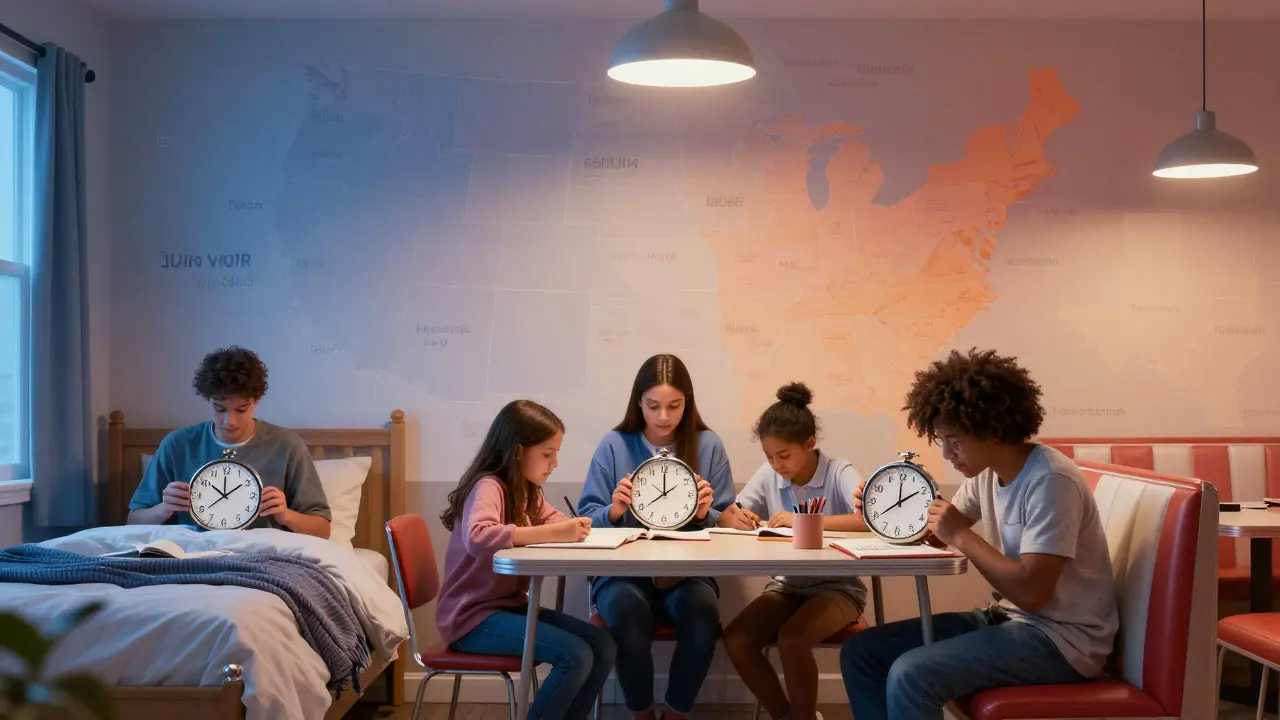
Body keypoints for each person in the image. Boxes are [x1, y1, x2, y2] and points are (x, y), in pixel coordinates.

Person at [840, 348, 1119, 720]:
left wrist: (961, 536)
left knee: (912, 675)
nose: (948, 454)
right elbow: (936, 533)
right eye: (942, 441)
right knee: (862, 652)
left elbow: (1033, 594)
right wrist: (882, 507)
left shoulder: (1051, 480)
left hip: (1062, 641)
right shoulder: (987, 473)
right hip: (1008, 620)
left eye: (955, 441)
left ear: (992, 428)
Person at [577, 353, 735, 720]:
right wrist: (613, 511)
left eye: (674, 406)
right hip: (622, 573)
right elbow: (584, 519)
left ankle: (675, 714)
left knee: (703, 617)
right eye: (653, 406)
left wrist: (706, 514)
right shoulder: (614, 444)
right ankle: (642, 715)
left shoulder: (708, 445)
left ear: (688, 402)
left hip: (689, 573)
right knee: (627, 616)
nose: (663, 416)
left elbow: (728, 521)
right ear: (638, 402)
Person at [436, 399, 614, 720]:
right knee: (575, 655)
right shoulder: (488, 486)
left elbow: (552, 519)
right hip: (471, 620)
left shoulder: (528, 490)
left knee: (602, 644)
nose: (555, 463)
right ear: (518, 451)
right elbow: (478, 536)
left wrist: (569, 526)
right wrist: (555, 532)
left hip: (509, 609)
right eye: (547, 454)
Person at [721, 382, 868, 720]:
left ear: (810, 443)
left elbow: (869, 518)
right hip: (786, 586)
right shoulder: (769, 473)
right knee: (737, 639)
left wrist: (806, 521)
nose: (776, 465)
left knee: (793, 638)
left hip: (838, 589)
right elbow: (729, 513)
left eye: (784, 455)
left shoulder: (840, 472)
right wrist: (735, 517)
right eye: (769, 456)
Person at [127, 346, 332, 538]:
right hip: (194, 553)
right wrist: (164, 508)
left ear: (257, 399)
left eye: (241, 409)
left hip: (262, 554)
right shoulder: (177, 445)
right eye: (220, 409)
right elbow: (133, 522)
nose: (229, 421)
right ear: (209, 400)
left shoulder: (287, 445)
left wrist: (286, 515)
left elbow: (322, 530)